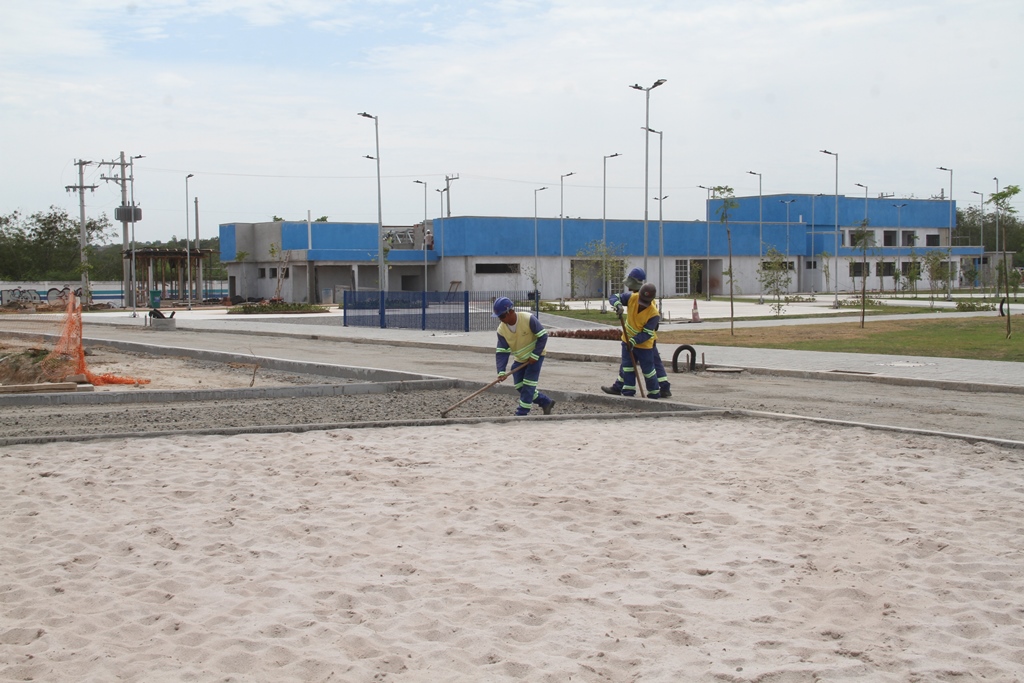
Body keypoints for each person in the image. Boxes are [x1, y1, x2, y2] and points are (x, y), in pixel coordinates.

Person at [605, 267, 671, 397]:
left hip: (645, 341)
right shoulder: (633, 297)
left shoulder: (651, 307)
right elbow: (614, 297)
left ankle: (662, 388)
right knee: (628, 365)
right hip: (630, 340)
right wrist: (618, 305)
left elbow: (650, 328)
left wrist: (634, 340)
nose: (628, 287)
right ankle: (622, 387)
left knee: (650, 367)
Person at [492, 297, 556, 416]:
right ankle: (545, 402)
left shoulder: (528, 319)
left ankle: (522, 413)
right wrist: (501, 371)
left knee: (528, 384)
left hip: (535, 357)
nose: (501, 319)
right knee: (519, 385)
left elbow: (543, 336)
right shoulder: (501, 330)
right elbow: (502, 351)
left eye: (502, 316)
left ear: (511, 311)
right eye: (499, 317)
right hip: (520, 358)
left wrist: (535, 355)